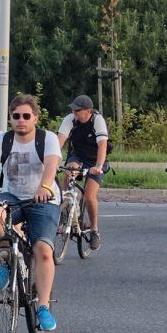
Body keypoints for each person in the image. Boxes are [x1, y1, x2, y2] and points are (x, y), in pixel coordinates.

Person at [0, 94, 62, 331]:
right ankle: (5, 260)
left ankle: (43, 307)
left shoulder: (48, 138)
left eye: (26, 116)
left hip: (43, 198)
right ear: (11, 119)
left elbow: (52, 165)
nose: (21, 120)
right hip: (11, 196)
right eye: (16, 116)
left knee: (43, 251)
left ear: (35, 118)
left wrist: (44, 187)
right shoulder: (1, 140)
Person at [56, 94, 108, 250]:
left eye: (78, 110)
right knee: (68, 172)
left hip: (95, 159)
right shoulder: (70, 119)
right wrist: (51, 161)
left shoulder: (97, 120)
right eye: (73, 110)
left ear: (88, 111)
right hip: (77, 155)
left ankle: (94, 230)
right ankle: (65, 210)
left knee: (89, 195)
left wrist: (98, 165)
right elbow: (59, 141)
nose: (75, 113)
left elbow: (102, 146)